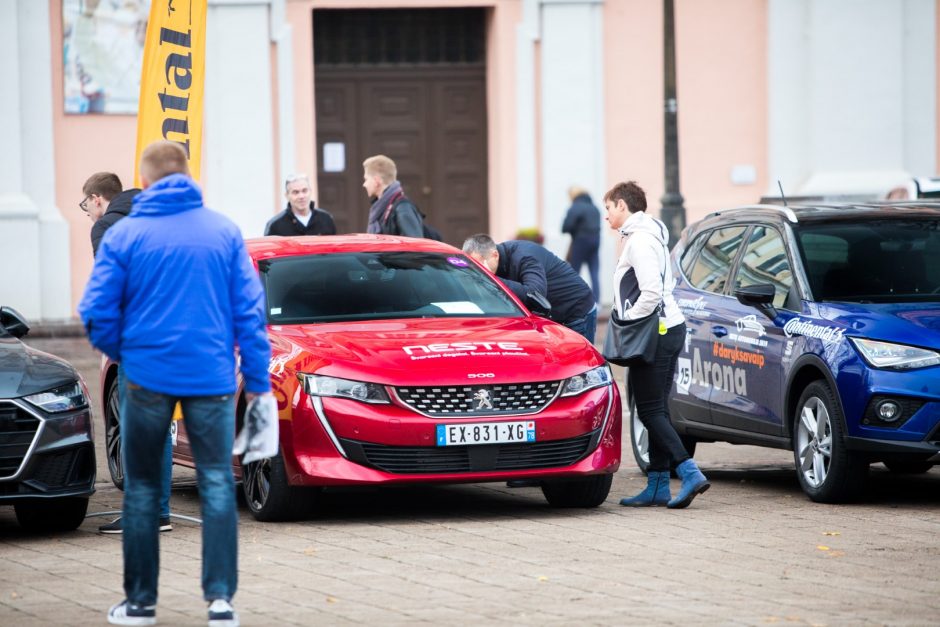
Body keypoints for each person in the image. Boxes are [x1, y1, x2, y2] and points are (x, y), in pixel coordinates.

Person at [79, 141, 272, 627]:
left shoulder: (125, 235)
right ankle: (222, 603)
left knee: (142, 490)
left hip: (146, 379)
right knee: (215, 483)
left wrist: (128, 354)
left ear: (144, 181)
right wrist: (258, 385)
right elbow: (250, 316)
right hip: (210, 378)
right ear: (186, 176)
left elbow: (96, 311)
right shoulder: (224, 232)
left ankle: (141, 604)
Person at [603, 180, 709, 509]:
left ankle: (688, 471)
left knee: (648, 410)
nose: (606, 216)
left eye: (608, 208)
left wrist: (630, 320)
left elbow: (650, 292)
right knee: (656, 409)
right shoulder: (650, 236)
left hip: (655, 333)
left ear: (622, 205)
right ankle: (658, 485)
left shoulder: (640, 242)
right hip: (667, 329)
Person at [80, 172, 174, 535]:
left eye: (86, 203)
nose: (87, 211)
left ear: (98, 199)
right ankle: (159, 512)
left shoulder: (106, 226)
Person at [462, 234, 597, 344]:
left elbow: (536, 293)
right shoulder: (496, 264)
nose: (479, 273)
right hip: (552, 316)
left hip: (575, 311)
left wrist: (493, 280)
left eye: (480, 266)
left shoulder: (524, 256)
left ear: (495, 255)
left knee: (577, 367)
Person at [363, 154, 424, 238]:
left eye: (366, 179)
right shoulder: (381, 208)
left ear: (377, 181)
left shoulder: (403, 208)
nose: (364, 184)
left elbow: (415, 245)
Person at [561, 186, 601, 302]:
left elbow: (565, 227)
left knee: (574, 273)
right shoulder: (594, 207)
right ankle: (597, 302)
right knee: (594, 272)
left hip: (580, 241)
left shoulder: (575, 207)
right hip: (595, 241)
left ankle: (574, 300)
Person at [264, 173, 337, 236]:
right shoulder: (275, 225)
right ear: (287, 196)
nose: (301, 196)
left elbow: (334, 249)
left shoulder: (326, 219)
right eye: (295, 192)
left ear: (310, 192)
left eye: (304, 191)